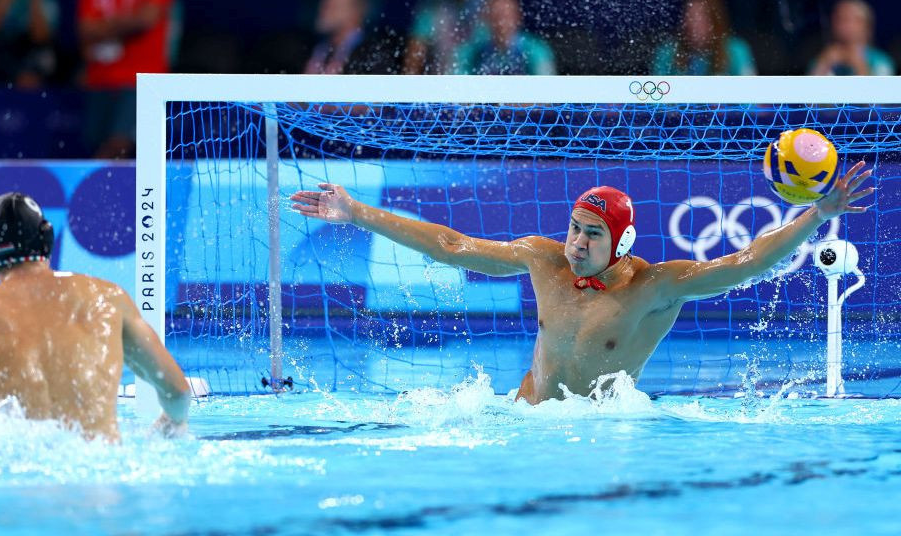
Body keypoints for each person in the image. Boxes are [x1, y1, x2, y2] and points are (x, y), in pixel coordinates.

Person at [290, 162, 874, 404]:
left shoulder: (653, 288)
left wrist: (817, 216)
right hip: (523, 415)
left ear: (621, 243)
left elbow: (742, 262)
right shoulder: (543, 262)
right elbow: (452, 246)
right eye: (572, 228)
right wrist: (358, 212)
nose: (575, 243)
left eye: (591, 234)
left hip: (602, 427)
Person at [0, 192, 190, 441]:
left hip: (21, 486)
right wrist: (170, 425)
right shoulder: (106, 299)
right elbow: (177, 391)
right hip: (101, 483)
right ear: (47, 238)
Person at [77, 0, 175, 159]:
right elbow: (85, 30)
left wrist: (104, 27)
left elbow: (147, 19)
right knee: (97, 141)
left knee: (119, 143)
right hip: (100, 79)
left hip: (141, 81)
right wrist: (127, 23)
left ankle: (93, 184)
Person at [403, 0, 489, 75]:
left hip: (479, 83)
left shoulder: (487, 6)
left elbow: (502, 52)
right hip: (441, 82)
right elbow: (415, 55)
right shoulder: (432, 5)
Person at [651, 0, 756, 76]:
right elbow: (656, 95)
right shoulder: (667, 52)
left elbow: (750, 93)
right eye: (687, 17)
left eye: (698, 19)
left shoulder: (736, 51)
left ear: (714, 23)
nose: (690, 25)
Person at [303, 0, 396, 75]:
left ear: (355, 14)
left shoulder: (374, 54)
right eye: (325, 2)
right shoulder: (313, 48)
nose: (324, 9)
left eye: (334, 5)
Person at [454, 0, 555, 76]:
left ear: (518, 17)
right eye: (496, 16)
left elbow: (545, 88)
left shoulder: (534, 49)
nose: (501, 22)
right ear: (487, 18)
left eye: (506, 16)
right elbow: (456, 83)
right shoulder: (473, 51)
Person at [809, 0, 895, 76]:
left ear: (866, 25)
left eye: (851, 19)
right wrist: (823, 63)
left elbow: (880, 91)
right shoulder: (823, 58)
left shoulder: (880, 61)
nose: (844, 25)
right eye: (839, 19)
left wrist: (860, 66)